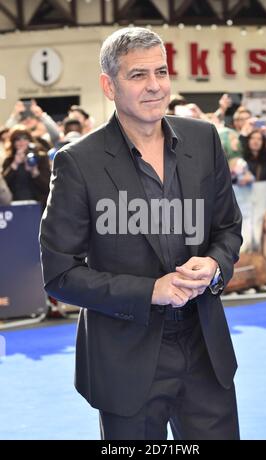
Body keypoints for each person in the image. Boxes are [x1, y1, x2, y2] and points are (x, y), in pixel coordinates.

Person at [40, 27, 242, 440]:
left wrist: (215, 265)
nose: (155, 86)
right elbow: (60, 274)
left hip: (205, 350)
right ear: (108, 85)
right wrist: (151, 291)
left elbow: (228, 228)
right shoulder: (78, 163)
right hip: (125, 358)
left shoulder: (204, 141)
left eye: (161, 72)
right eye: (138, 75)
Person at [2, 126, 51, 210]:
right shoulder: (9, 161)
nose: (21, 142)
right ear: (13, 142)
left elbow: (48, 186)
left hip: (38, 205)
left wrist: (34, 172)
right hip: (14, 205)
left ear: (30, 140)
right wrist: (14, 165)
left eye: (24, 138)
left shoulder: (41, 157)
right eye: (17, 139)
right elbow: (3, 188)